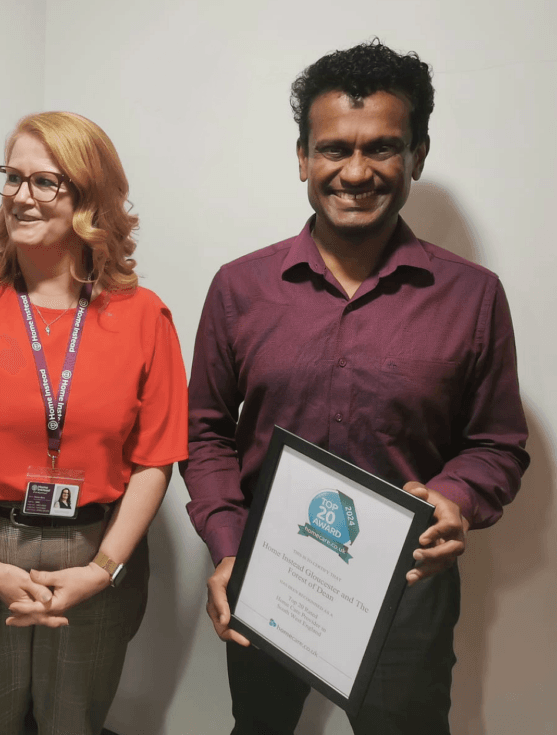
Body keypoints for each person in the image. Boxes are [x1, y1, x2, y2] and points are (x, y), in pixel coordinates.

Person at [182, 39, 530, 735]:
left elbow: (497, 443)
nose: (356, 171)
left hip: (406, 585)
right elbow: (206, 431)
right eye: (335, 149)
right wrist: (229, 545)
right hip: (267, 569)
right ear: (304, 158)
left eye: (383, 148)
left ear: (417, 156)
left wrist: (457, 498)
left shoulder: (473, 295)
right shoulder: (239, 288)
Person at [0, 111, 188, 735]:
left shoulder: (144, 315)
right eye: (12, 178)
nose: (22, 196)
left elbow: (156, 459)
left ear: (90, 198)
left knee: (72, 724)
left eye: (45, 182)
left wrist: (101, 569)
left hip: (94, 550)